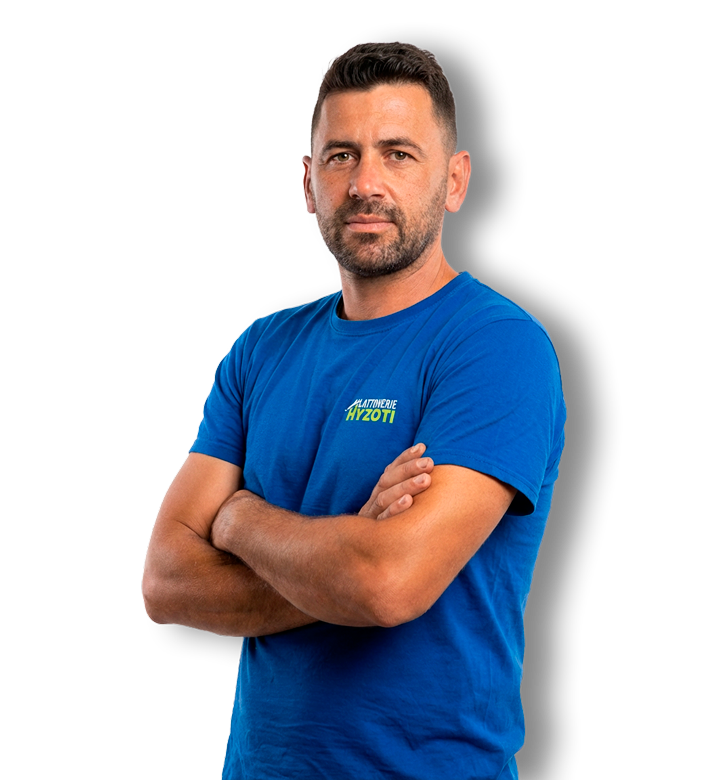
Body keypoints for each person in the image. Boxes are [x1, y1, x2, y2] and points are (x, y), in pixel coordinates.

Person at [142, 39, 566, 780]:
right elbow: (166, 583)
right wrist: (344, 560)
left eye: (399, 154)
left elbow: (387, 584)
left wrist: (238, 520)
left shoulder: (498, 346)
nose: (366, 183)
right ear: (308, 182)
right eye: (342, 156)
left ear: (455, 180)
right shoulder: (261, 348)